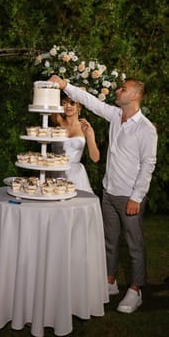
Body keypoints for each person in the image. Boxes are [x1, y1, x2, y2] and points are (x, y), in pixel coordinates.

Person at [49, 74, 158, 314]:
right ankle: (109, 282)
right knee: (109, 241)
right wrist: (66, 85)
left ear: (136, 95)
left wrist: (136, 198)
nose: (118, 91)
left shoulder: (146, 129)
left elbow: (148, 165)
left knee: (134, 244)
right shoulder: (115, 116)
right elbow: (88, 100)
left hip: (129, 196)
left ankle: (136, 289)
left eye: (123, 89)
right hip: (108, 192)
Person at [50, 93, 100, 193]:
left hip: (76, 175)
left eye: (72, 103)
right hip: (56, 170)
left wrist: (89, 135)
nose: (68, 106)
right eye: (64, 103)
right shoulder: (57, 122)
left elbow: (95, 158)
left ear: (79, 106)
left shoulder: (85, 127)